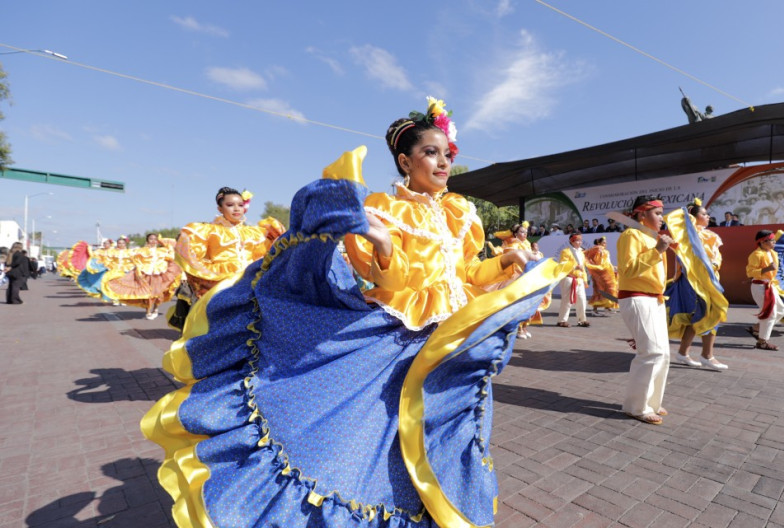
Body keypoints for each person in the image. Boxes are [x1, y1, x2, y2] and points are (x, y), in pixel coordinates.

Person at [141, 97, 570, 528]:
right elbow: (394, 283)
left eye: (447, 154)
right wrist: (382, 243)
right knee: (378, 440)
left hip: (457, 337)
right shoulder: (384, 209)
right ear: (405, 160)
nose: (443, 163)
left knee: (455, 427)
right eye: (430, 153)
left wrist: (508, 261)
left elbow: (469, 273)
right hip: (407, 334)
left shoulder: (460, 211)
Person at [171, 187, 285, 329]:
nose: (236, 209)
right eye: (230, 205)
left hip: (250, 281)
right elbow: (189, 255)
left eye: (240, 205)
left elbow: (269, 254)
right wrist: (205, 276)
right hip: (220, 283)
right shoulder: (208, 231)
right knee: (217, 326)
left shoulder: (255, 233)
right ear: (220, 208)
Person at [617, 196, 674, 424]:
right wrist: (657, 251)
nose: (662, 218)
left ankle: (652, 402)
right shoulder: (631, 235)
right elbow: (628, 270)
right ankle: (636, 407)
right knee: (651, 352)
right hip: (637, 297)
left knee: (663, 353)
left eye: (662, 213)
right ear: (642, 214)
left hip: (655, 299)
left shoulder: (652, 237)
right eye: (658, 213)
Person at [667, 200, 729, 370]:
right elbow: (684, 258)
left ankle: (682, 352)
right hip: (693, 280)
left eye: (707, 214)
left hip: (710, 279)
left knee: (699, 314)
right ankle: (707, 355)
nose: (707, 216)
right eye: (703, 214)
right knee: (710, 312)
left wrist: (714, 266)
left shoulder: (711, 236)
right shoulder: (686, 235)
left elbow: (717, 257)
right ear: (693, 217)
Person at [102, 233, 181, 319]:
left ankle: (156, 308)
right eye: (151, 239)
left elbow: (173, 258)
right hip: (145, 274)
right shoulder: (141, 251)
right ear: (147, 240)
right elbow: (135, 261)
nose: (153, 241)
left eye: (155, 239)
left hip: (158, 275)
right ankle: (148, 310)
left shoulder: (163, 251)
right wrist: (137, 271)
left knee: (158, 293)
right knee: (148, 294)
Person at [746, 230, 784, 350]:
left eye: (774, 240)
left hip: (770, 285)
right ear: (762, 242)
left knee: (781, 311)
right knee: (770, 314)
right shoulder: (756, 255)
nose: (774, 242)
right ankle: (762, 341)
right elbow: (750, 272)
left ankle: (757, 328)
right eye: (771, 240)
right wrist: (767, 268)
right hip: (760, 286)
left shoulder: (772, 253)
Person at [556, 232, 594, 327]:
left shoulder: (581, 253)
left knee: (581, 300)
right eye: (577, 240)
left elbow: (583, 268)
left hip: (579, 279)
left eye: (580, 240)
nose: (579, 242)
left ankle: (582, 320)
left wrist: (585, 280)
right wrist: (574, 267)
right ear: (571, 241)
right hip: (569, 278)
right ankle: (562, 320)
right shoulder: (566, 251)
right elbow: (562, 265)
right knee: (567, 300)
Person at [584, 237, 618, 314]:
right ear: (599, 243)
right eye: (603, 242)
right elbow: (589, 254)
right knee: (599, 289)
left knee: (610, 288)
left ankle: (607, 307)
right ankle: (595, 308)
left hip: (607, 271)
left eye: (605, 242)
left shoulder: (606, 251)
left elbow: (608, 261)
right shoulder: (597, 249)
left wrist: (613, 268)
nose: (605, 244)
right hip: (599, 272)